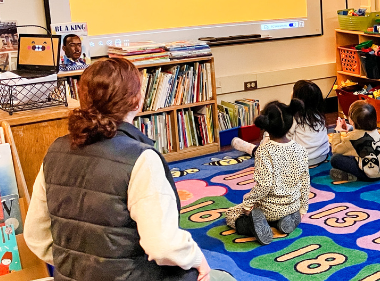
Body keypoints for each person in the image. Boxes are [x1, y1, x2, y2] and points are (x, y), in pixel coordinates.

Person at [24, 57, 234, 281]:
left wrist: (77, 265)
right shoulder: (141, 159)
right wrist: (196, 258)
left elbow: (35, 236)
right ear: (137, 101)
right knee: (220, 276)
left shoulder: (54, 151)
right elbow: (163, 246)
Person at [224, 101, 310, 245]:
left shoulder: (264, 151)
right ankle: (285, 221)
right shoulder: (300, 149)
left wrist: (247, 204)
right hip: (292, 205)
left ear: (265, 126)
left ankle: (256, 224)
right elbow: (305, 181)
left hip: (268, 209)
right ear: (290, 123)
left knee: (231, 214)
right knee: (283, 212)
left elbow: (264, 185)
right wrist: (303, 207)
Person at [231, 80, 330, 166]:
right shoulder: (319, 116)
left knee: (273, 132)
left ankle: (253, 150)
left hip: (300, 161)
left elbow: (282, 136)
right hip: (321, 156)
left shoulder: (295, 117)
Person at [329, 100, 380, 182]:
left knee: (335, 159)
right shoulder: (375, 131)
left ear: (352, 120)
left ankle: (355, 177)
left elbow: (335, 150)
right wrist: (351, 128)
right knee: (354, 152)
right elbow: (361, 133)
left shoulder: (352, 137)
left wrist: (337, 131)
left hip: (368, 176)